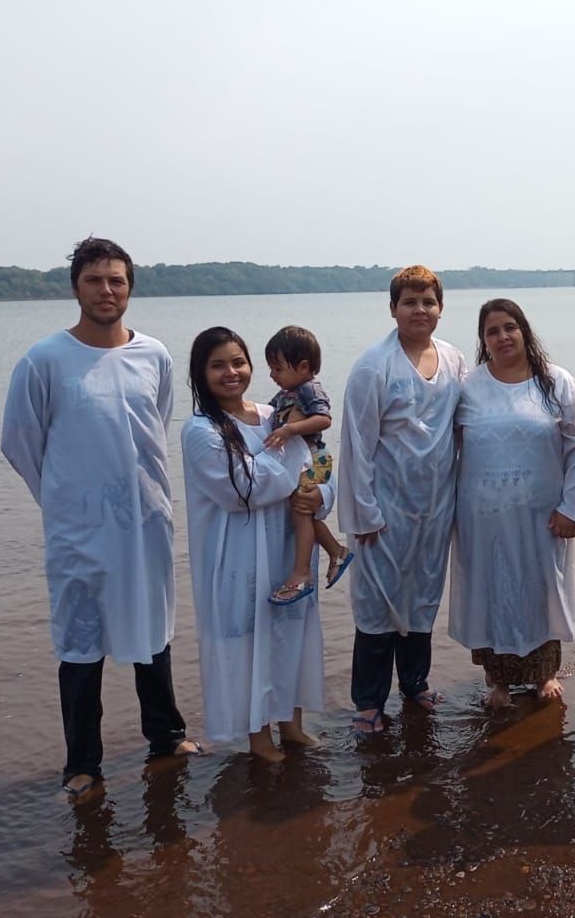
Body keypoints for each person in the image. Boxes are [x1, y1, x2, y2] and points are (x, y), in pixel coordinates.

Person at [1, 236, 201, 799]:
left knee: (152, 631)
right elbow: (20, 443)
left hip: (146, 523)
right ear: (75, 288)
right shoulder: (45, 360)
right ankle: (82, 763)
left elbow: (154, 427)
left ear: (130, 288)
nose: (106, 290)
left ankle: (166, 736)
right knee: (80, 645)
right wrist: (66, 501)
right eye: (95, 280)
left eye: (116, 280)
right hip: (78, 532)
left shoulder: (154, 355)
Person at [181, 326, 327, 762]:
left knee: (290, 634)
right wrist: (294, 455)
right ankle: (258, 737)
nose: (231, 372)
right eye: (218, 365)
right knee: (244, 642)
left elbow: (320, 465)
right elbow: (242, 488)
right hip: (237, 556)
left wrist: (322, 494)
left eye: (238, 362)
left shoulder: (273, 413)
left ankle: (292, 725)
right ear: (201, 373)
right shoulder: (201, 429)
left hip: (289, 544)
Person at [337, 265, 468, 735]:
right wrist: (363, 512)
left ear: (440, 308)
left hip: (434, 506)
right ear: (393, 308)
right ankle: (369, 701)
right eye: (410, 302)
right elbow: (355, 444)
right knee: (377, 604)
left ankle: (415, 684)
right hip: (384, 508)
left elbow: (463, 428)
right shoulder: (375, 365)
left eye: (428, 302)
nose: (420, 310)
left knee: (422, 598)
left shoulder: (453, 360)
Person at [449, 299, 575, 709]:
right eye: (492, 331)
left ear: (525, 331)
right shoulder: (468, 388)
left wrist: (573, 507)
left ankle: (544, 675)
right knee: (491, 592)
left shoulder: (556, 382)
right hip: (482, 518)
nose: (503, 336)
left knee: (540, 589)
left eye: (510, 327)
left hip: (543, 515)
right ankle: (496, 680)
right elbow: (444, 451)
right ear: (483, 340)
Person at [261, 324, 353, 603]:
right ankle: (336, 550)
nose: (272, 375)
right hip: (298, 461)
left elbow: (324, 419)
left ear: (302, 366)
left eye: (277, 368)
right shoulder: (286, 394)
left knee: (301, 513)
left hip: (313, 458)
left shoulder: (309, 389)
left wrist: (289, 430)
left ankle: (301, 573)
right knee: (304, 514)